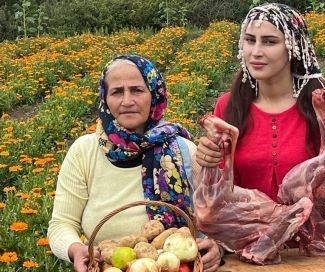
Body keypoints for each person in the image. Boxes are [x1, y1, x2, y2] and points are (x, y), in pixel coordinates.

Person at [48, 54, 222, 272]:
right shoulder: (84, 151)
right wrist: (75, 248)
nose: (127, 101)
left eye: (137, 90)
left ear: (154, 95)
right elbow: (61, 224)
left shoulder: (184, 150)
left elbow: (218, 219)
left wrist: (217, 246)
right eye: (117, 91)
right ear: (105, 99)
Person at [195, 3, 325, 202]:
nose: (256, 51)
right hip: (248, 229)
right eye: (250, 40)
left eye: (269, 42)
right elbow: (221, 193)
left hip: (311, 230)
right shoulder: (229, 105)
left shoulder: (322, 104)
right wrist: (208, 160)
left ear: (293, 47)